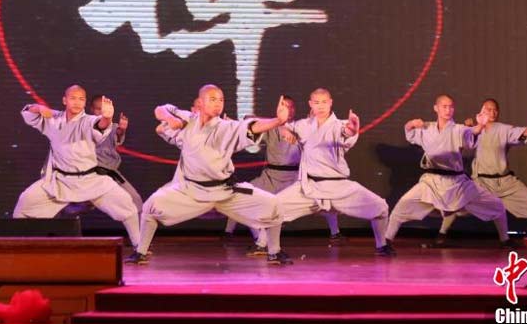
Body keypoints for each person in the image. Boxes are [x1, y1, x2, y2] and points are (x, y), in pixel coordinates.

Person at [127, 85, 291, 266]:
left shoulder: (226, 127)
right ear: (201, 102)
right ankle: (140, 252)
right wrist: (170, 118)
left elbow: (252, 126)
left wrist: (278, 120)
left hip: (225, 191)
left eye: (221, 100)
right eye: (212, 99)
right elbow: (161, 109)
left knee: (274, 206)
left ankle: (274, 252)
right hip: (191, 191)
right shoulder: (188, 120)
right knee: (150, 207)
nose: (218, 104)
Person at [12, 85, 140, 246]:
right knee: (25, 203)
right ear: (64, 100)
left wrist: (107, 118)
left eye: (81, 99)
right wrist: (38, 108)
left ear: (85, 102)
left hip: (90, 180)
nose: (77, 102)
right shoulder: (53, 119)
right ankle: (16, 246)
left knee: (127, 206)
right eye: (73, 98)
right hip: (59, 182)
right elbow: (29, 113)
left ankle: (140, 248)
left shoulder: (88, 121)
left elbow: (101, 125)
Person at [274, 89, 394, 256]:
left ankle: (382, 245)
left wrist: (353, 129)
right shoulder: (303, 125)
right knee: (273, 207)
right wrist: (283, 126)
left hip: (338, 186)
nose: (321, 106)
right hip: (309, 187)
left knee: (380, 208)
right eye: (317, 102)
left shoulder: (340, 125)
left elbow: (346, 133)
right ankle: (268, 248)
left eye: (324, 102)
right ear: (310, 104)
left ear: (330, 103)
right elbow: (283, 128)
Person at [384, 94, 510, 247]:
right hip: (431, 183)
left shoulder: (457, 129)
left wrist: (481, 125)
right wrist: (411, 123)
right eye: (444, 106)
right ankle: (385, 242)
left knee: (497, 205)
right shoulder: (426, 128)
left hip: (457, 184)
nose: (448, 110)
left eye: (451, 107)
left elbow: (471, 132)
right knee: (402, 206)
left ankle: (505, 240)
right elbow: (409, 133)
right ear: (436, 108)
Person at [222, 95, 342, 252]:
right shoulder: (271, 126)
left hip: (295, 178)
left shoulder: (302, 127)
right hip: (271, 177)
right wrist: (233, 123)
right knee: (242, 195)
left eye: (291, 107)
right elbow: (250, 122)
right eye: (284, 106)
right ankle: (237, 235)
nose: (288, 110)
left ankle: (335, 233)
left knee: (325, 201)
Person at [436, 99, 527, 243]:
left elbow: (526, 132)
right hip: (481, 183)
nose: (492, 113)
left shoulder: (504, 129)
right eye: (489, 109)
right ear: (482, 111)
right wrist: (467, 128)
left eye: (495, 110)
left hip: (505, 182)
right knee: (457, 203)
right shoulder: (475, 129)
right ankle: (442, 234)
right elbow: (458, 147)